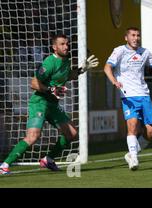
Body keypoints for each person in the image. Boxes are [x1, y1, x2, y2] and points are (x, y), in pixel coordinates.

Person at [0, 34, 99, 175]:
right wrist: (51, 89)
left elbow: (68, 76)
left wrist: (82, 69)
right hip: (40, 102)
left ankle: (48, 159)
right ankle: (4, 165)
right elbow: (33, 83)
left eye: (67, 44)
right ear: (54, 47)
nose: (66, 46)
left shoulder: (66, 60)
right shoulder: (49, 62)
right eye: (62, 44)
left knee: (71, 133)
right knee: (33, 136)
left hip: (52, 104)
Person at [104, 27, 152, 171]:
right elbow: (107, 68)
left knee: (151, 131)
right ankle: (134, 159)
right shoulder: (119, 51)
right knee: (132, 126)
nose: (136, 38)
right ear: (126, 37)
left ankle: (132, 153)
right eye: (133, 35)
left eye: (138, 35)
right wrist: (114, 82)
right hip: (128, 95)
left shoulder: (144, 52)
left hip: (144, 95)